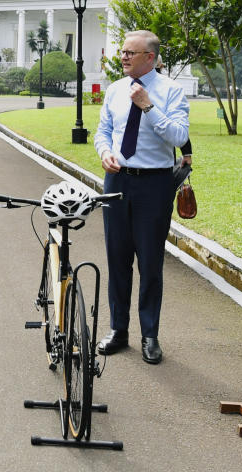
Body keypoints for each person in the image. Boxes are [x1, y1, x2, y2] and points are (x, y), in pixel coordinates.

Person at [94, 30, 189, 365]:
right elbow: (103, 130)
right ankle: (118, 330)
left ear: (150, 57)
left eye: (130, 53)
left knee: (150, 263)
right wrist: (104, 151)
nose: (123, 57)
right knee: (117, 259)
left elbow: (179, 136)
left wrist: (147, 107)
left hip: (154, 185)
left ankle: (150, 335)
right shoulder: (114, 90)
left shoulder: (172, 92)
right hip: (117, 181)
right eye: (122, 52)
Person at [156, 55, 193, 167]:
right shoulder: (169, 88)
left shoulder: (169, 88)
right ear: (161, 66)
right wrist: (186, 153)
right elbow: (178, 123)